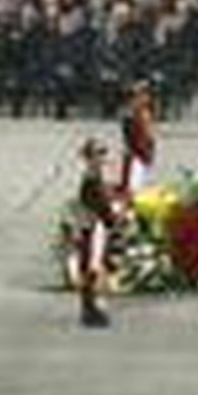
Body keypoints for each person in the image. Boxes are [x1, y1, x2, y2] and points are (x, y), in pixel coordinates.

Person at [74, 137, 118, 329]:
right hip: (93, 227)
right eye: (99, 153)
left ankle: (90, 307)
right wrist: (113, 218)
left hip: (92, 225)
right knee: (93, 266)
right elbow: (99, 205)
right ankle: (90, 308)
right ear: (90, 157)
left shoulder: (94, 176)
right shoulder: (92, 179)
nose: (103, 157)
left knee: (93, 266)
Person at [120, 82, 157, 193]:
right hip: (136, 156)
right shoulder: (130, 116)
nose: (146, 98)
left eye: (147, 94)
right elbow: (131, 140)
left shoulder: (146, 113)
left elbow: (149, 137)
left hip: (146, 156)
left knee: (146, 187)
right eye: (141, 95)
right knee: (134, 188)